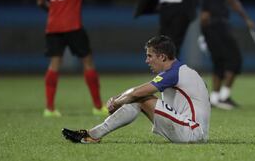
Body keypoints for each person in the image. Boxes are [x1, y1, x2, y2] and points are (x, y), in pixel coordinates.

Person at [61, 35, 210, 144]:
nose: (147, 61)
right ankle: (92, 134)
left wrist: (117, 102)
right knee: (138, 97)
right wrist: (120, 98)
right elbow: (138, 90)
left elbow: (138, 93)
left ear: (163, 57)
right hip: (193, 131)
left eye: (150, 56)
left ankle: (91, 135)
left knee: (140, 97)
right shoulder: (181, 71)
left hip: (192, 132)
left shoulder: (173, 73)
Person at [36, 0, 125, 117]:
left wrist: (54, 10)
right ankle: (98, 106)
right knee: (88, 62)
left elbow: (39, 1)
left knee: (54, 65)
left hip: (53, 25)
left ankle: (49, 109)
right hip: (72, 24)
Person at [200, 0, 255, 110]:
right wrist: (246, 18)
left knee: (219, 60)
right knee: (235, 59)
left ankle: (215, 98)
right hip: (218, 22)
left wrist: (203, 11)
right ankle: (223, 96)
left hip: (207, 24)